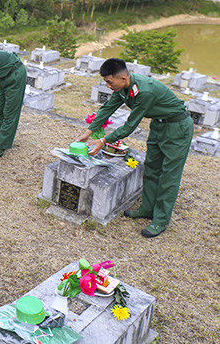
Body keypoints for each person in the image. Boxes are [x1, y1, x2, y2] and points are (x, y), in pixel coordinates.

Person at [75, 58, 193, 238]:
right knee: (152, 167)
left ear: (122, 78)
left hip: (177, 128)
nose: (107, 85)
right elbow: (108, 108)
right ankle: (147, 208)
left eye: (109, 81)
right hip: (158, 125)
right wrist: (89, 132)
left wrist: (103, 141)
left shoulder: (144, 91)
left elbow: (130, 126)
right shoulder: (122, 88)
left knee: (169, 175)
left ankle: (160, 219)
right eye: (105, 81)